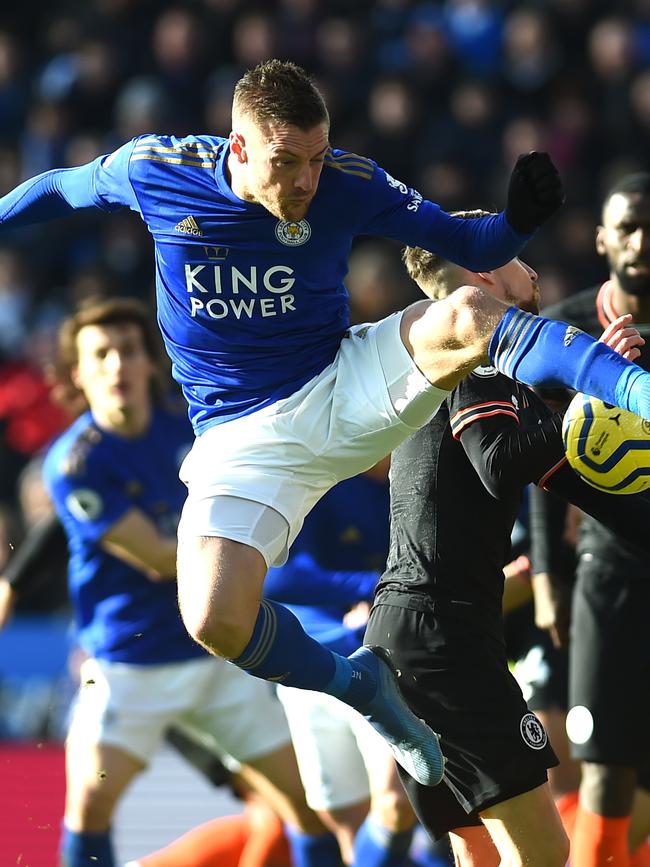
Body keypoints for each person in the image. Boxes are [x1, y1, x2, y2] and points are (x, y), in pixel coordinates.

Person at [3, 58, 650, 786]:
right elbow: (63, 185)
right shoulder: (159, 170)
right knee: (213, 615)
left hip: (342, 382)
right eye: (287, 162)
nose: (306, 180)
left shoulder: (348, 182)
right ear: (239, 148)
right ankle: (360, 685)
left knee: (467, 312)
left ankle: (639, 391)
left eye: (315, 158)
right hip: (239, 436)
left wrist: (517, 223)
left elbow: (471, 249)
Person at [362, 213, 650, 866]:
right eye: (522, 260)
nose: (537, 272)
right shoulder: (470, 354)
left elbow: (567, 478)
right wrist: (586, 407)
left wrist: (582, 410)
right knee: (543, 855)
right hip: (445, 640)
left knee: (482, 858)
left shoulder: (460, 369)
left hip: (411, 636)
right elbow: (499, 464)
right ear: (484, 274)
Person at [40, 297, 336, 867]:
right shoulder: (75, 463)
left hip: (217, 657)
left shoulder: (193, 430)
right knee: (88, 812)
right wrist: (252, 551)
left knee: (307, 808)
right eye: (100, 355)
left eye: (128, 351)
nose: (117, 366)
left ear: (150, 362)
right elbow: (158, 557)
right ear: (79, 375)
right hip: (129, 667)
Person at [529, 173, 650, 867]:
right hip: (607, 574)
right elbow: (539, 463)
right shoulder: (570, 331)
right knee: (603, 769)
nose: (642, 242)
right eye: (628, 226)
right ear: (602, 237)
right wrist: (549, 571)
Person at [266, 462, 418, 867]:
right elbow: (275, 576)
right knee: (347, 820)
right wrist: (373, 586)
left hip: (387, 660)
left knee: (396, 804)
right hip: (309, 667)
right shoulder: (317, 466)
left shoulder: (425, 461)